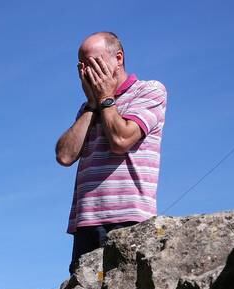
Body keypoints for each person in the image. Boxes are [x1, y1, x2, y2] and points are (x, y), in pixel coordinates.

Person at [55, 32, 167, 273]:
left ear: (118, 58)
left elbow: (121, 139)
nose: (88, 72)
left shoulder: (149, 91)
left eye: (94, 62)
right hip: (87, 222)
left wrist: (106, 98)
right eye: (82, 66)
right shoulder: (88, 109)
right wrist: (92, 106)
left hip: (129, 219)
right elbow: (65, 155)